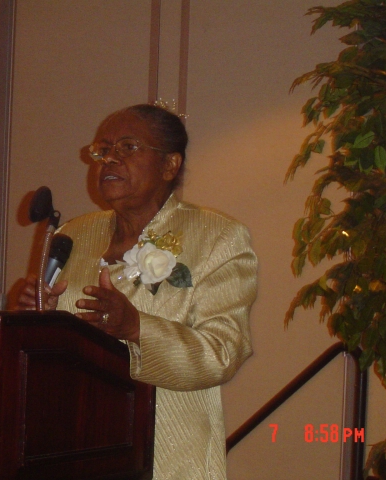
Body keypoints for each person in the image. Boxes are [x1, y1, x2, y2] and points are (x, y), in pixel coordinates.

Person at [16, 104, 258, 479]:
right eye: (103, 150)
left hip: (167, 457)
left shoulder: (217, 238)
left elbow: (222, 353)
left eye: (128, 148)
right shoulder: (72, 236)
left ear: (169, 166)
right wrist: (39, 319)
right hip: (72, 450)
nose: (109, 159)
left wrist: (136, 327)